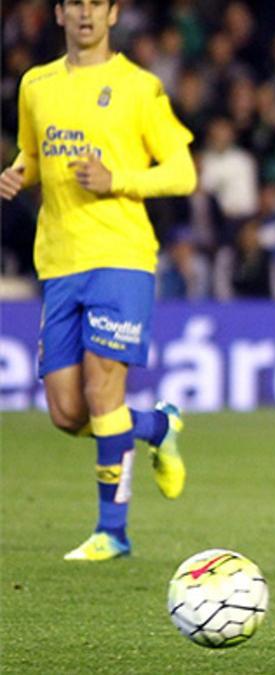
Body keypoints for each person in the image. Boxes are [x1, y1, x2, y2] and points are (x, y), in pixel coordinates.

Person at [0, 0, 197, 561]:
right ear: (59, 14)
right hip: (59, 262)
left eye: (97, 4)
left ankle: (113, 531)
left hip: (121, 255)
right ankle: (157, 427)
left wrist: (118, 180)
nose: (85, 13)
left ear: (112, 14)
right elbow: (33, 154)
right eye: (75, 4)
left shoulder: (139, 87)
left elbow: (182, 173)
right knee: (67, 413)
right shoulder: (35, 85)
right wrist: (19, 173)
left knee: (102, 391)